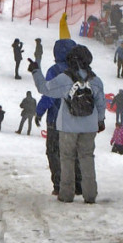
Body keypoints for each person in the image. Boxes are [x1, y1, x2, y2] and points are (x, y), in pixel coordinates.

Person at [30, 44, 106, 204]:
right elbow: (101, 104)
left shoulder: (65, 79)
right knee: (87, 158)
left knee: (67, 158)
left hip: (68, 126)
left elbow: (44, 89)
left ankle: (66, 193)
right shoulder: (96, 81)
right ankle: (90, 194)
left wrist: (36, 71)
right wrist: (100, 121)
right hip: (89, 127)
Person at [34, 16, 82, 197]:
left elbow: (49, 95)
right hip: (76, 120)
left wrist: (39, 112)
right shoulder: (80, 70)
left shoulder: (55, 71)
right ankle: (78, 183)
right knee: (73, 152)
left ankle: (60, 183)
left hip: (56, 119)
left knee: (54, 152)